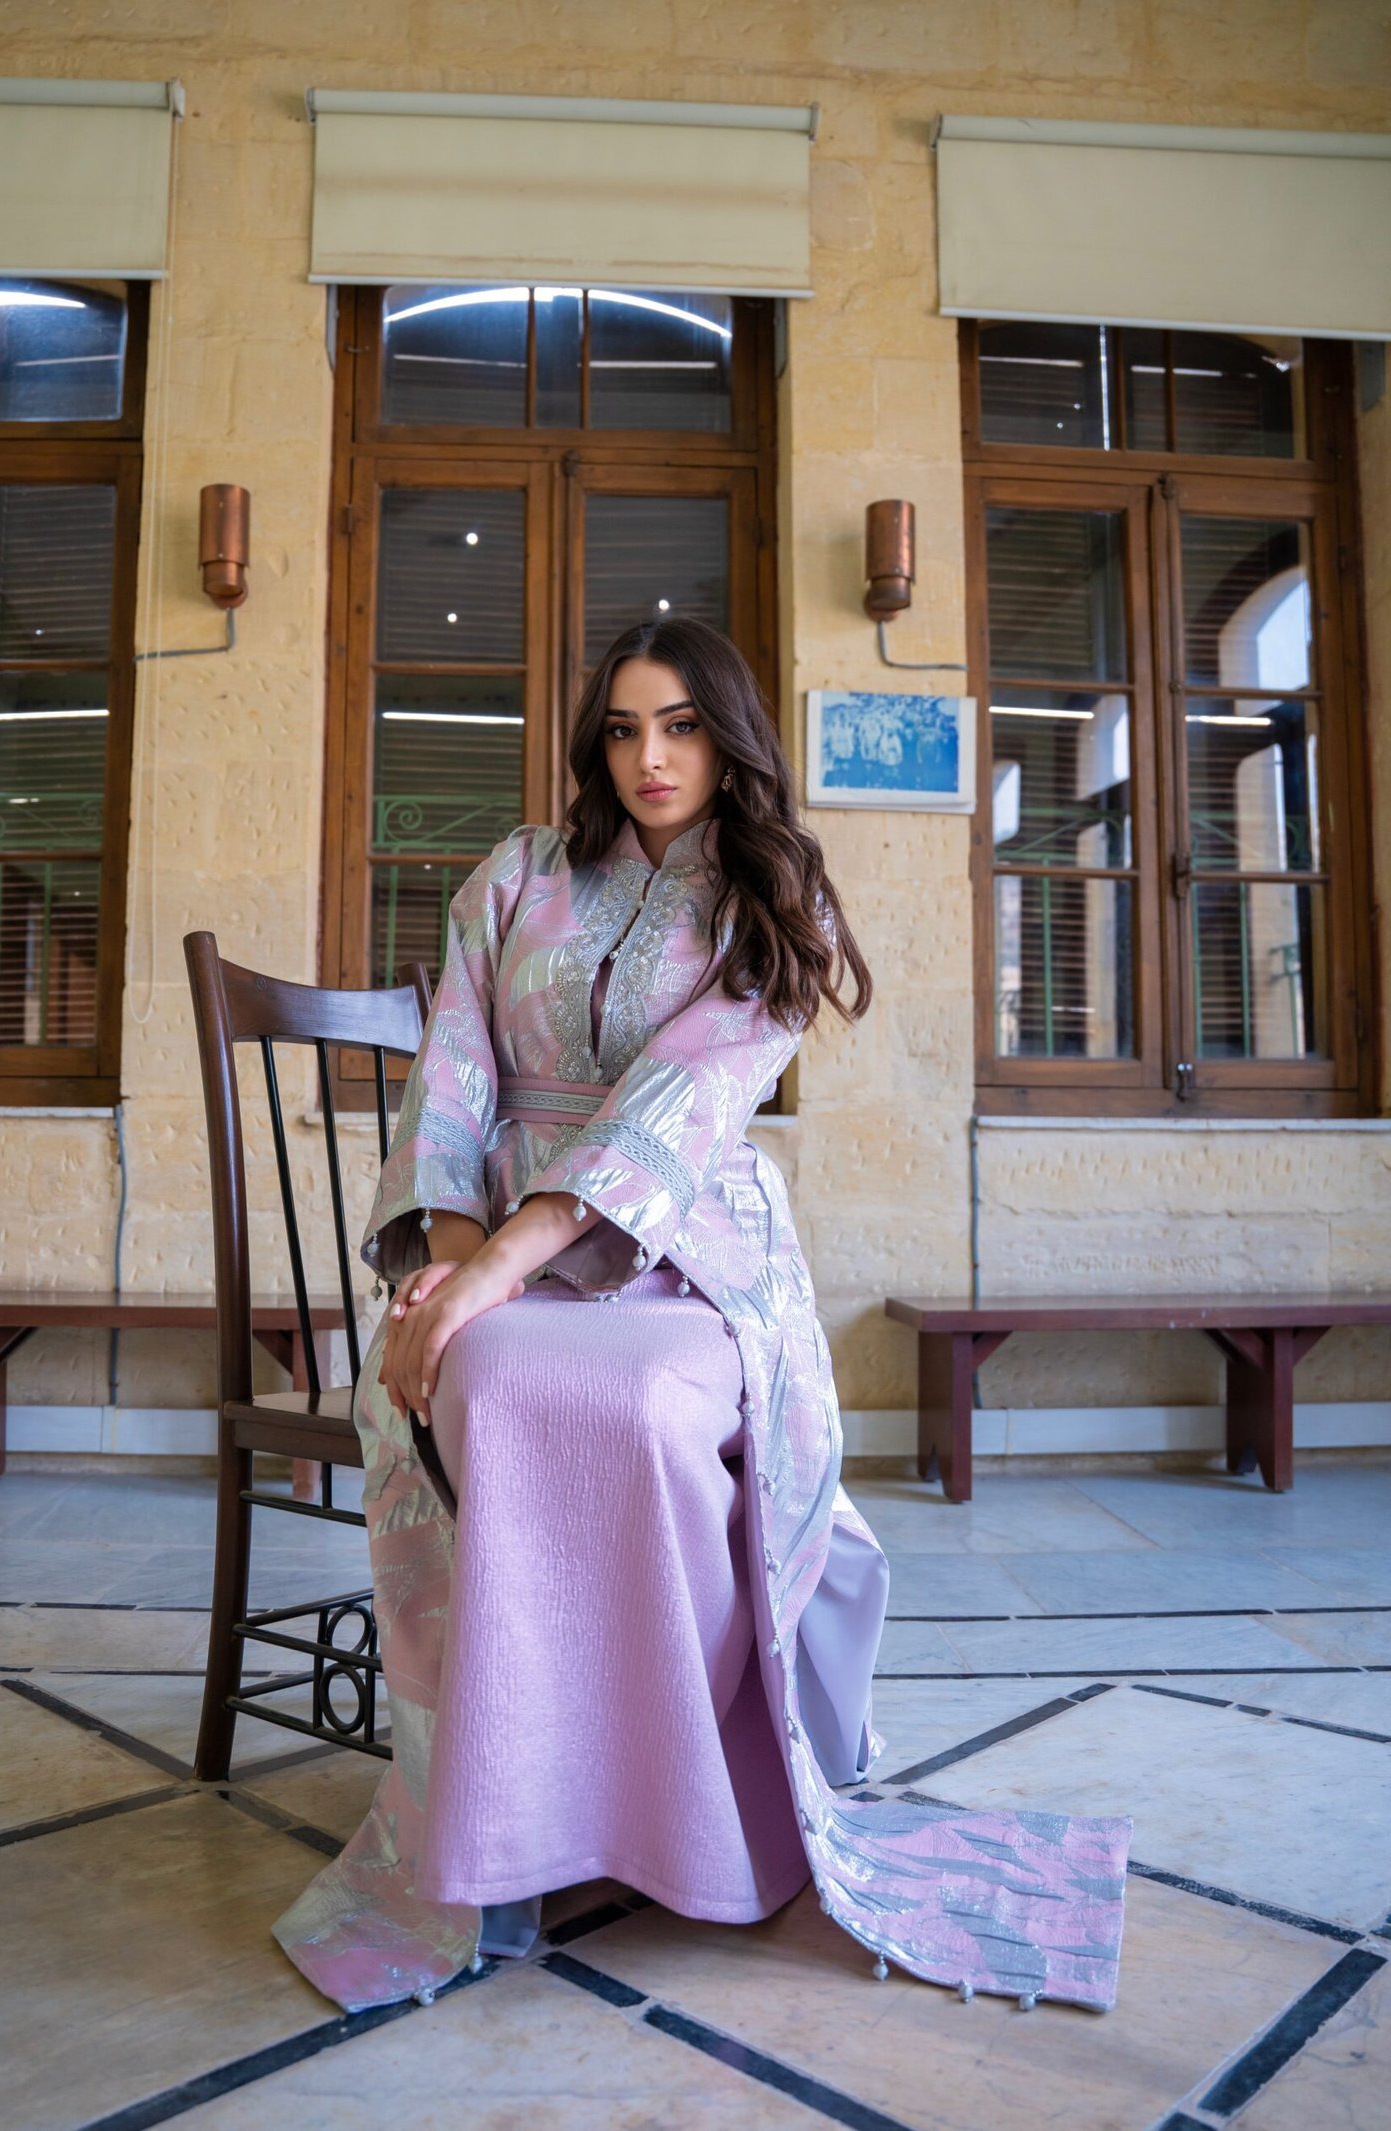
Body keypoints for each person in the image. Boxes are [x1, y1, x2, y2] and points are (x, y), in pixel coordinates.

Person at [274, 616, 1131, 2015]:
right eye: (622, 729)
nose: (650, 758)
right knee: (481, 1377)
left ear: (728, 739)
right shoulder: (518, 875)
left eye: (678, 726)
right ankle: (512, 1826)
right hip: (490, 1235)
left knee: (626, 1408)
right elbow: (453, 1079)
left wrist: (497, 1274)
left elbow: (672, 1111)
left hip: (691, 1252)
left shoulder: (773, 899)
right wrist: (453, 1259)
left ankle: (677, 1804)